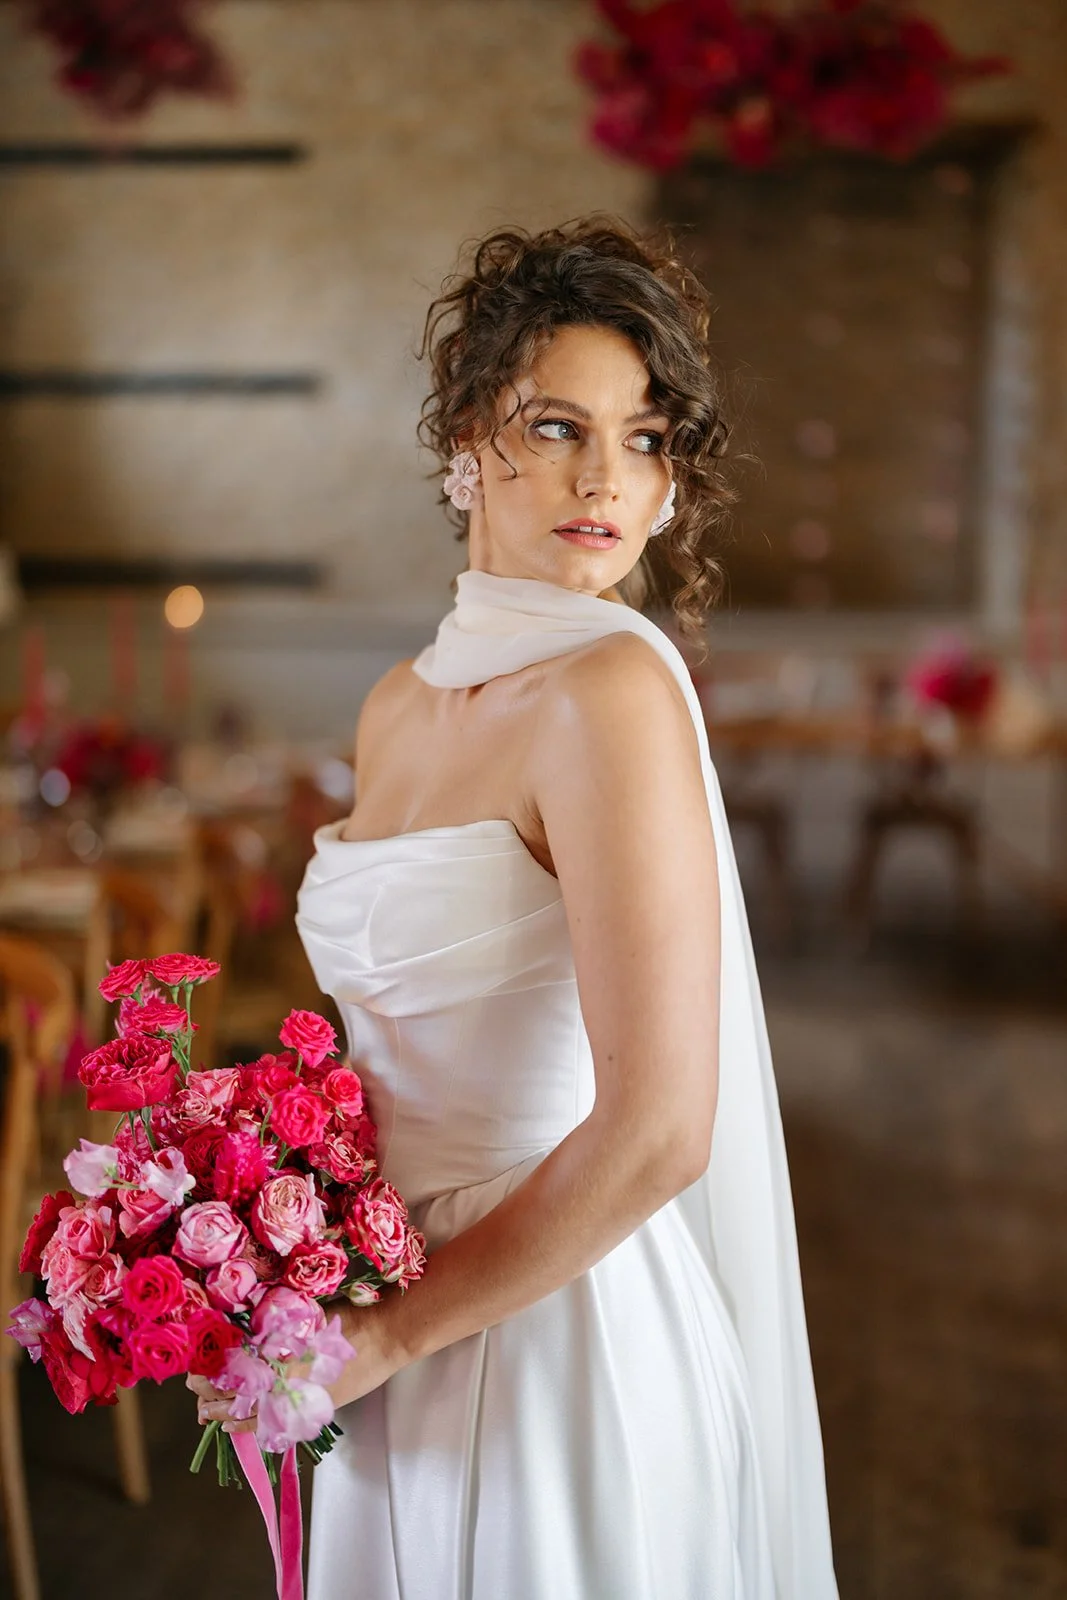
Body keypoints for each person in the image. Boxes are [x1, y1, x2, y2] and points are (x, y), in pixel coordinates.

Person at [194, 218, 838, 1598]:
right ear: (462, 440)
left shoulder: (609, 695)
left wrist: (389, 1336)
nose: (606, 477)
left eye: (647, 439)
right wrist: (255, 1235)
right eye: (557, 427)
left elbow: (660, 1131)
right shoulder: (399, 703)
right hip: (378, 1314)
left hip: (554, 1339)